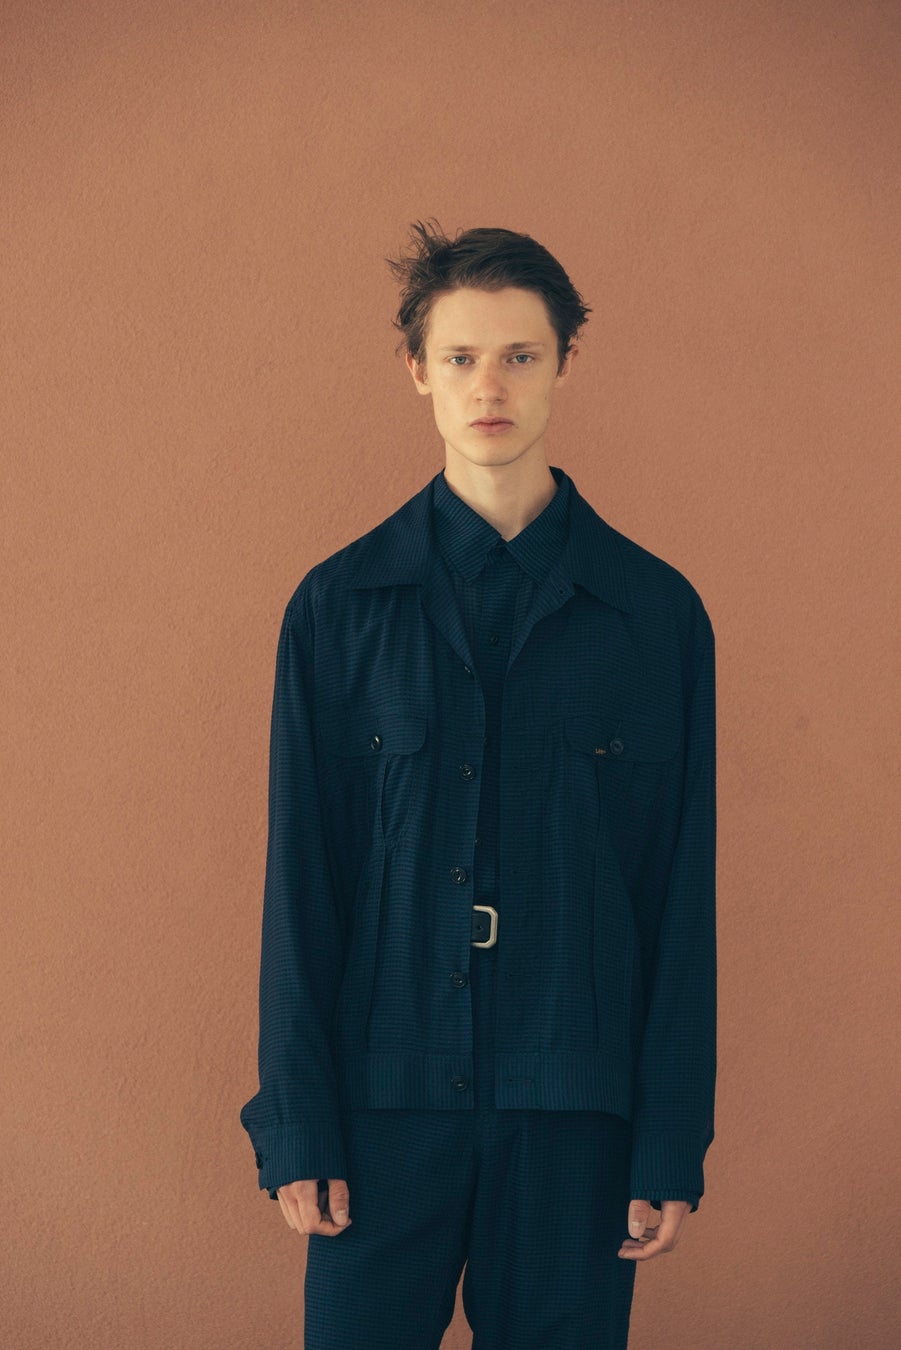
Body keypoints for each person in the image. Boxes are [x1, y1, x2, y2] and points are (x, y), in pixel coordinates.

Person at [240, 222, 716, 1349]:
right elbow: (301, 881)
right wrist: (299, 1123)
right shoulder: (338, 610)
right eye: (459, 357)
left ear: (564, 364)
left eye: (518, 355)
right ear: (417, 369)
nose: (487, 386)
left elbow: (678, 893)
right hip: (381, 1108)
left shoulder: (653, 617)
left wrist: (668, 1138)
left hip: (575, 1114)